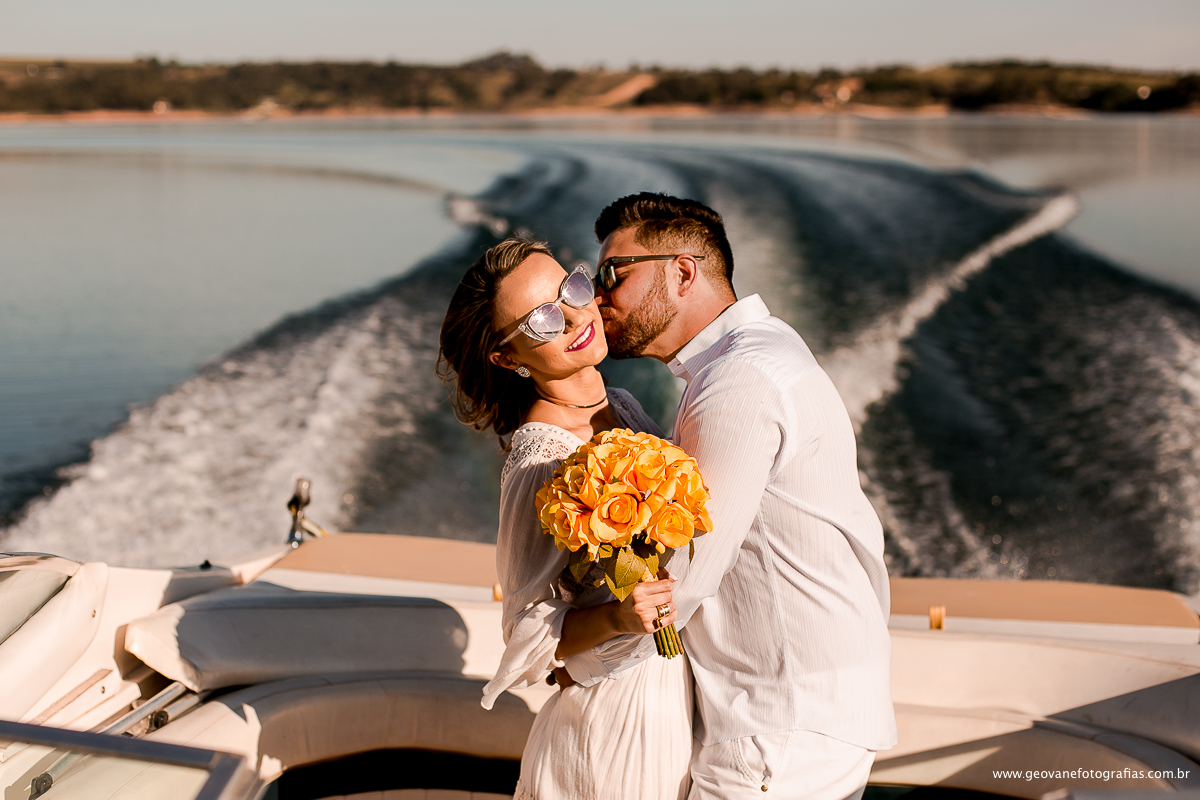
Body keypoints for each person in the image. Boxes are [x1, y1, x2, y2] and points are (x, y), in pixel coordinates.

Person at [576, 192, 897, 799]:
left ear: (683, 271)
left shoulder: (738, 380)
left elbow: (687, 574)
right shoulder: (755, 356)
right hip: (800, 710)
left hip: (780, 723)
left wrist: (580, 659)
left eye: (614, 274)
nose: (597, 294)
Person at [437, 238, 693, 800]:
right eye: (542, 320)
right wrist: (621, 618)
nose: (575, 316)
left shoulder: (619, 405)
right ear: (507, 358)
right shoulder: (541, 456)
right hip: (611, 727)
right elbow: (527, 628)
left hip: (670, 695)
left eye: (571, 289)